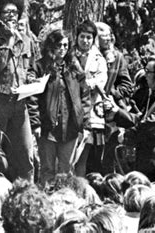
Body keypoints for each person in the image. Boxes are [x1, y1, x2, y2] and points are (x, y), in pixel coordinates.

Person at [0, 0, 35, 181]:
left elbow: (29, 69)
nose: (12, 16)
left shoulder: (26, 40)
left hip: (20, 104)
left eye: (14, 12)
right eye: (7, 12)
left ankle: (27, 189)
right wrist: (10, 40)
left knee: (26, 151)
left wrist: (32, 83)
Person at [104, 56, 155, 182]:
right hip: (146, 161)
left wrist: (126, 136)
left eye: (147, 71)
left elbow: (149, 127)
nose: (144, 75)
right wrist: (116, 113)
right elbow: (142, 119)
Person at [27, 29, 91, 184]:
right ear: (51, 46)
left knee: (67, 169)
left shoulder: (74, 67)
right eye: (58, 45)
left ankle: (65, 200)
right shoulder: (40, 67)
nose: (62, 49)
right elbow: (32, 97)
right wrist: (35, 123)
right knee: (47, 168)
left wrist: (86, 123)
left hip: (70, 126)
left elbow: (85, 97)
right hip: (47, 126)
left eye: (65, 45)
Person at [94, 22, 133, 174]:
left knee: (109, 157)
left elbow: (127, 86)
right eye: (98, 33)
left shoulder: (117, 57)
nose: (102, 37)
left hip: (110, 116)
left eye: (104, 33)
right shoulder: (87, 56)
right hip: (89, 111)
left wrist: (111, 94)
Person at [72, 20, 108, 177]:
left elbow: (99, 82)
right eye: (82, 37)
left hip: (89, 114)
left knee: (82, 157)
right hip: (69, 111)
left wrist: (82, 84)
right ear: (77, 37)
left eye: (89, 37)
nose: (85, 41)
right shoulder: (69, 55)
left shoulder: (99, 60)